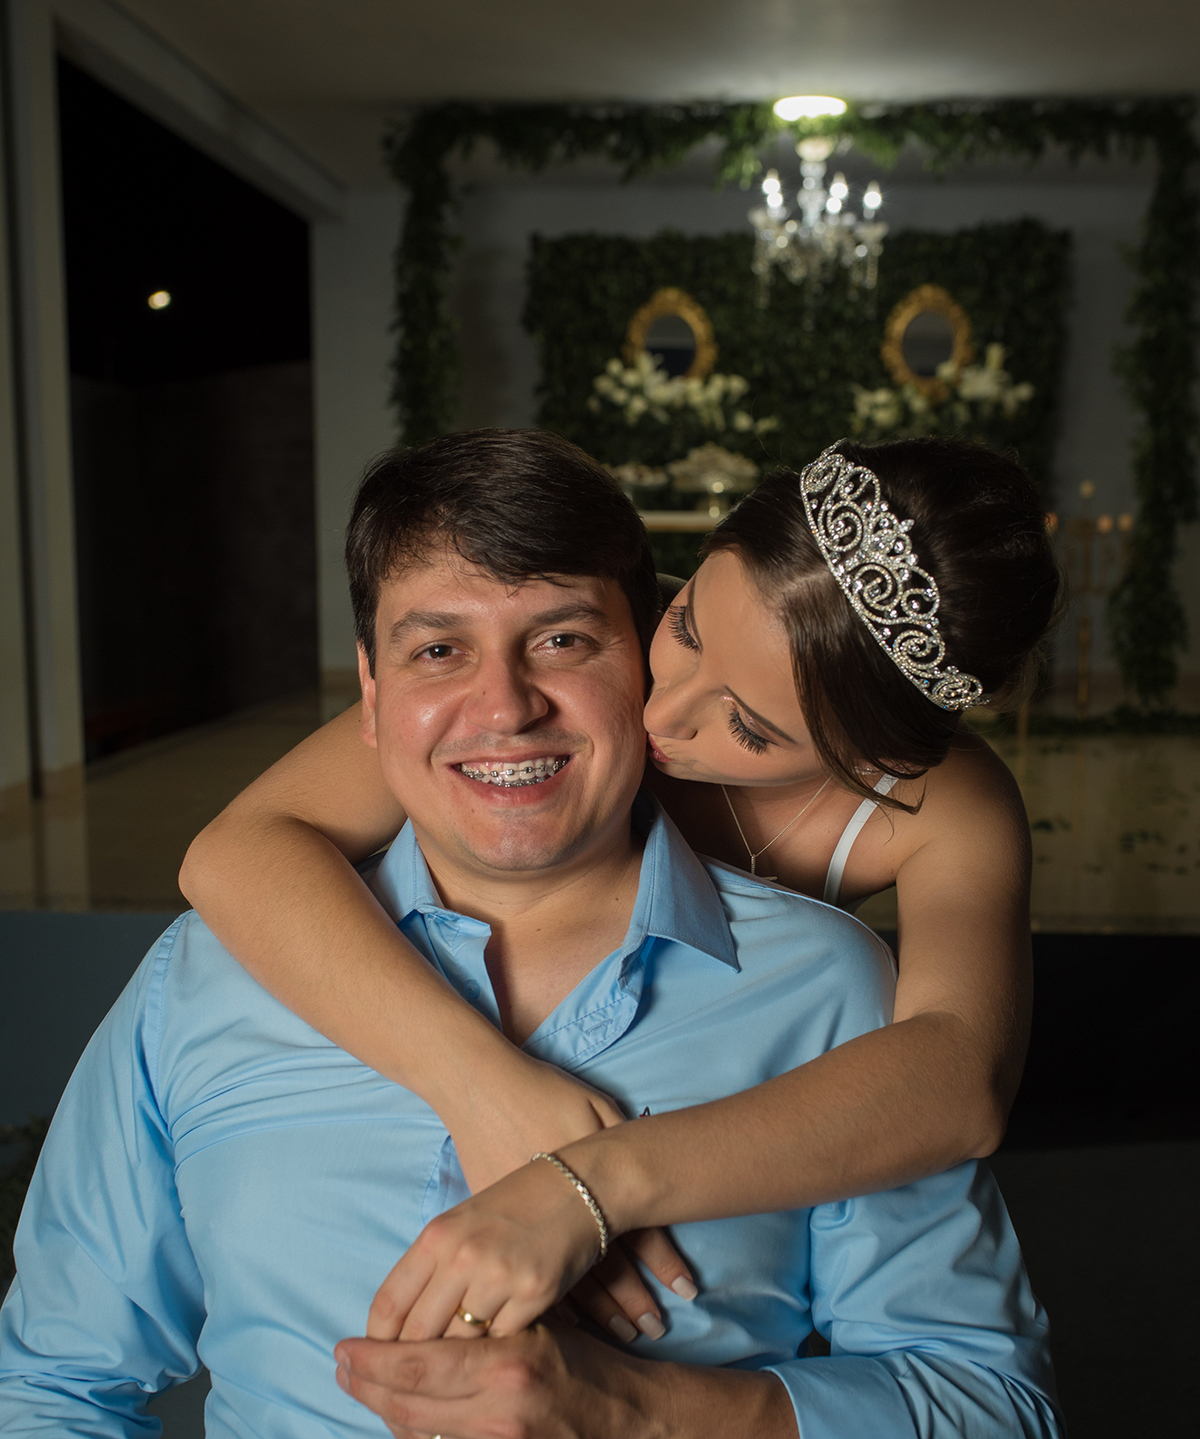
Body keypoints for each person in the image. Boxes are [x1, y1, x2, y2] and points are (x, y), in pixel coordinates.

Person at [0, 432, 1061, 1439]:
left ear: (862, 749)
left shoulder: (846, 975)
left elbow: (973, 1229)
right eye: (685, 632)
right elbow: (61, 1381)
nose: (508, 706)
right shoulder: (213, 975)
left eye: (565, 638)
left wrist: (632, 1377)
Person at [179, 429, 1060, 1343]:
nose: (661, 711)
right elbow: (237, 850)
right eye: (685, 630)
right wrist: (480, 1087)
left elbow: (961, 1076)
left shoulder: (946, 806)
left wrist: (596, 1182)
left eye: (750, 729)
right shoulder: (577, 641)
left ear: (874, 757)